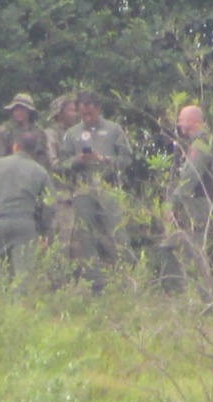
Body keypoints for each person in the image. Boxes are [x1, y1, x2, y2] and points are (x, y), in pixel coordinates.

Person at [60, 91, 133, 292]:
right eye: (83, 115)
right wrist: (77, 160)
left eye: (90, 113)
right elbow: (61, 164)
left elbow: (127, 159)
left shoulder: (114, 130)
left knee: (118, 232)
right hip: (83, 188)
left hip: (108, 186)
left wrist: (107, 160)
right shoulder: (72, 133)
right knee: (85, 234)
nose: (87, 118)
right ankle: (95, 282)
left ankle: (129, 279)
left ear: (98, 109)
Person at [0, 132, 55, 297]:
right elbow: (50, 204)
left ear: (15, 146)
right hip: (27, 224)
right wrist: (43, 230)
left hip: (2, 220)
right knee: (23, 271)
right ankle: (18, 308)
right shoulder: (40, 171)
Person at [158, 105, 213, 295]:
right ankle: (180, 295)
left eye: (182, 119)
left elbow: (190, 177)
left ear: (193, 121)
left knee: (195, 252)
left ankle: (205, 299)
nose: (178, 124)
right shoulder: (195, 143)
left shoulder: (200, 145)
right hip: (190, 204)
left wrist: (173, 203)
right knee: (171, 248)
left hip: (195, 205)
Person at [43, 95, 79, 259]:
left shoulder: (76, 134)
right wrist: (77, 161)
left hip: (77, 196)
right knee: (60, 246)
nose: (75, 113)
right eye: (71, 110)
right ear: (60, 113)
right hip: (59, 197)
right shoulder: (50, 135)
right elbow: (54, 165)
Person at [0, 93, 50, 170]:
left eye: (23, 109)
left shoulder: (39, 132)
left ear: (29, 111)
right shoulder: (4, 131)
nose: (19, 112)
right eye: (16, 109)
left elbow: (44, 157)